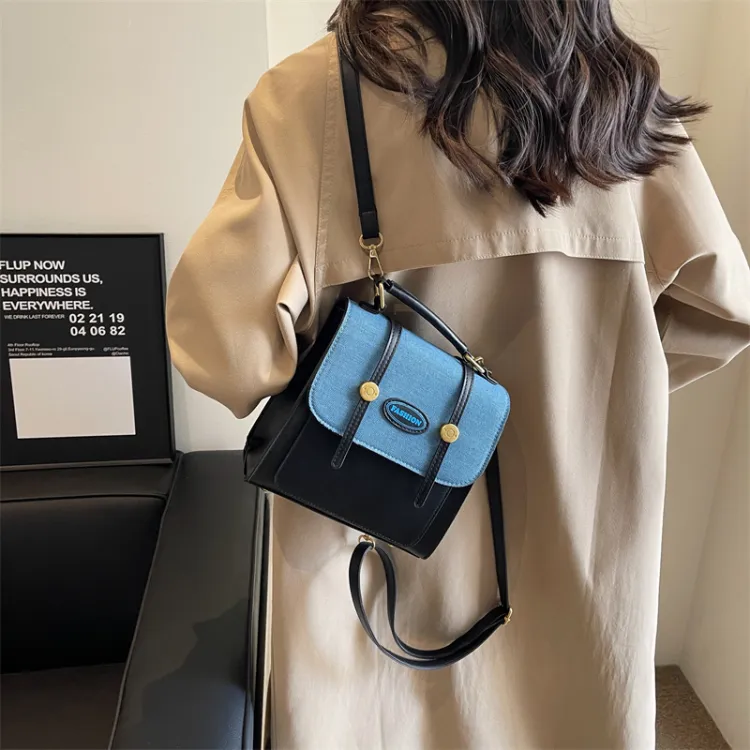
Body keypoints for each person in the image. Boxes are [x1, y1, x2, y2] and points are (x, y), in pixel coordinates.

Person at [166, 1, 750, 747]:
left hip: (367, 569)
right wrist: (603, 393)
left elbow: (226, 357)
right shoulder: (621, 99)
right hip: (577, 544)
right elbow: (719, 313)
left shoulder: (311, 96)